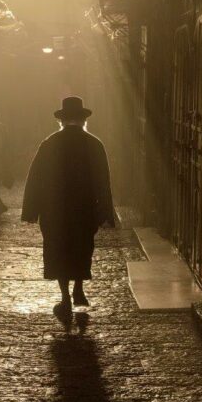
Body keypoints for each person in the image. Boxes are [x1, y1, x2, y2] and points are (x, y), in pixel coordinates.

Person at [21, 96, 116, 313]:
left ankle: (64, 296)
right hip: (84, 209)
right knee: (82, 248)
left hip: (55, 209)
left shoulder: (49, 143)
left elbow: (35, 177)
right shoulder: (94, 144)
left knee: (58, 249)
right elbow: (103, 180)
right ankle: (79, 289)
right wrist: (106, 211)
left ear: (62, 121)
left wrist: (31, 210)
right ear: (83, 120)